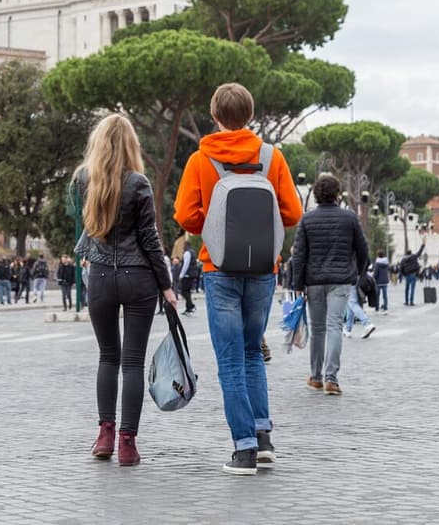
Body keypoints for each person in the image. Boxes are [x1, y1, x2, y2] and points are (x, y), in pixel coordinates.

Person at [174, 83, 302, 475]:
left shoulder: (201, 159)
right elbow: (293, 213)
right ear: (250, 115)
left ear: (214, 116)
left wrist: (213, 228)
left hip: (220, 269)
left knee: (230, 359)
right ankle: (263, 438)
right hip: (264, 268)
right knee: (251, 355)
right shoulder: (271, 157)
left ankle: (243, 449)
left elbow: (184, 215)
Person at [76, 113, 176, 468]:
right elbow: (150, 239)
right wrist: (167, 285)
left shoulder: (84, 180)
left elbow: (86, 230)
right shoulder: (139, 183)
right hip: (138, 278)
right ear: (132, 145)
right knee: (132, 361)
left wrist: (87, 257)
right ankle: (127, 443)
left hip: (101, 276)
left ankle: (104, 434)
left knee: (107, 357)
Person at [290, 173, 367, 396]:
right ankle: (331, 379)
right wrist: (357, 274)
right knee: (335, 327)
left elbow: (299, 255)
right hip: (341, 280)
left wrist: (297, 283)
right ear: (337, 193)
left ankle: (315, 377)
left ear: (316, 194)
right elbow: (363, 250)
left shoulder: (307, 219)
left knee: (318, 329)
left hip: (314, 281)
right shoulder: (350, 218)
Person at [399, 241, 427, 305]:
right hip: (413, 274)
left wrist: (403, 274)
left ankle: (406, 301)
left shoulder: (403, 259)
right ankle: (411, 301)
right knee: (412, 289)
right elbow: (419, 253)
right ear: (411, 253)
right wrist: (422, 245)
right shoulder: (413, 256)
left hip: (407, 275)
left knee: (407, 288)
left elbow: (401, 268)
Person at [179, 241, 198, 315]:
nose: (183, 246)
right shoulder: (192, 251)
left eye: (183, 245)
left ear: (186, 245)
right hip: (192, 274)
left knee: (184, 291)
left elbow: (185, 265)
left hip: (187, 275)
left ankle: (191, 306)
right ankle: (188, 308)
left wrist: (181, 275)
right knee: (187, 292)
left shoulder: (187, 253)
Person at [373, 250, 390, 315]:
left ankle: (377, 308)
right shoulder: (386, 263)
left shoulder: (377, 264)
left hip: (378, 282)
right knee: (385, 295)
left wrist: (373, 278)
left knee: (377, 295)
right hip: (385, 281)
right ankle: (385, 307)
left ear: (378, 255)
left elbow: (376, 273)